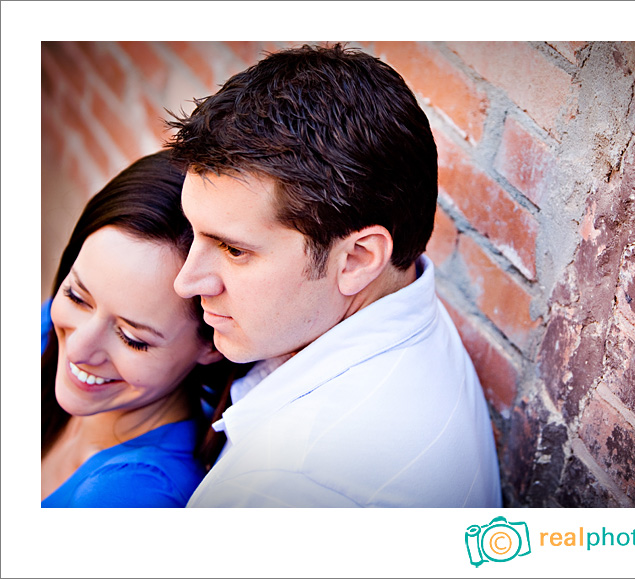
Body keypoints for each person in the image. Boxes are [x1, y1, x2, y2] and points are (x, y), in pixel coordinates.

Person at [166, 43, 503, 507]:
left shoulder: (281, 488)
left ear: (358, 259)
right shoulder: (402, 309)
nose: (187, 282)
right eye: (194, 232)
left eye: (233, 249)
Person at [41, 150, 246, 507]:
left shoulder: (131, 497)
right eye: (77, 297)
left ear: (213, 342)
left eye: (132, 339)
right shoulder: (51, 327)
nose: (76, 349)